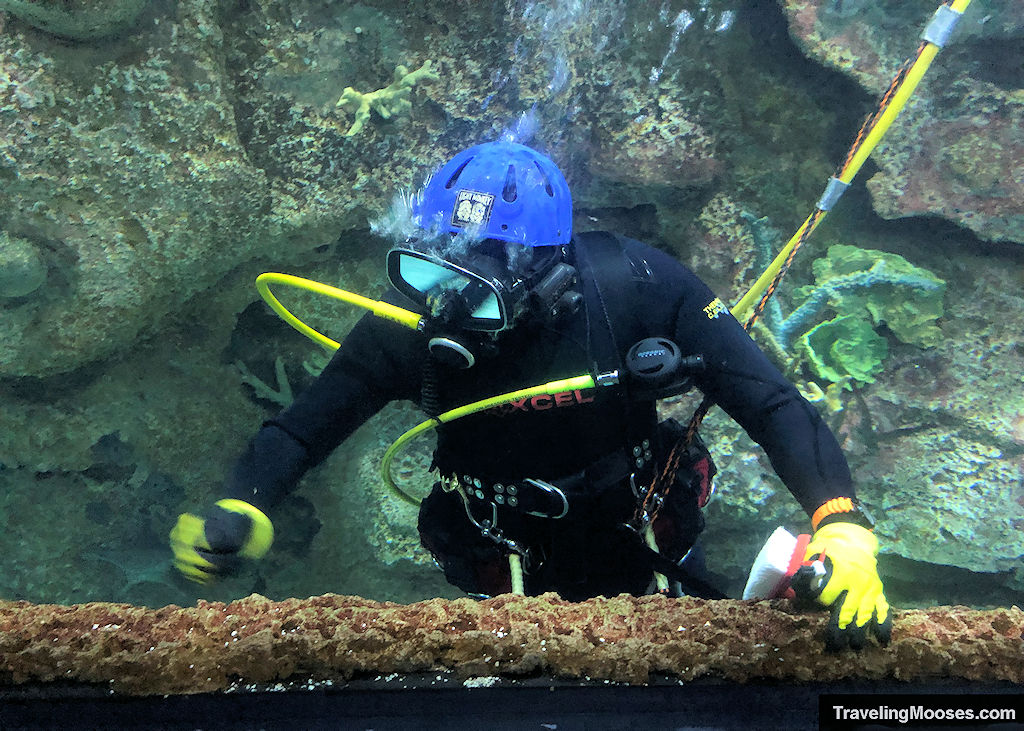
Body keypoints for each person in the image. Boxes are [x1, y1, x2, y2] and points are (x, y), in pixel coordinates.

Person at [171, 141, 890, 650]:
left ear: (549, 271)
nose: (452, 302)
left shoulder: (636, 284)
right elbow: (303, 428)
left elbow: (768, 399)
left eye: (485, 282)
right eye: (444, 265)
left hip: (642, 534)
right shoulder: (413, 324)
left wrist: (840, 519)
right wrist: (245, 499)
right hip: (499, 552)